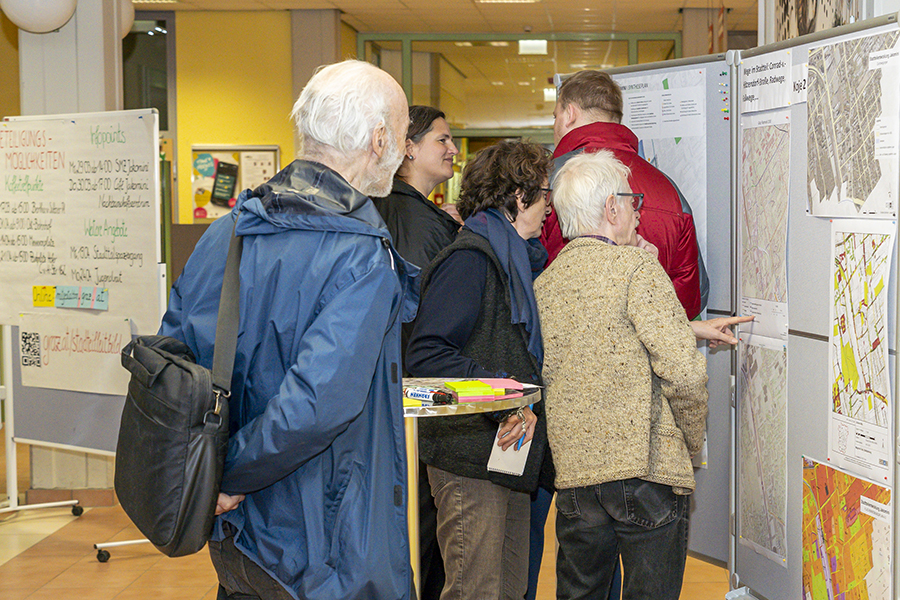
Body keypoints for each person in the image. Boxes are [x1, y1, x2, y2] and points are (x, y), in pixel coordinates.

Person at [159, 60, 417, 600]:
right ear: (378, 139)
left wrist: (211, 476)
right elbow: (315, 405)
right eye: (403, 132)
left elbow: (174, 365)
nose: (406, 149)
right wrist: (227, 473)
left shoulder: (226, 233)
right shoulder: (362, 257)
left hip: (235, 533)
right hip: (328, 540)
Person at [534, 150, 709, 600]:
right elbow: (685, 372)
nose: (638, 214)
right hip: (646, 472)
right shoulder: (636, 269)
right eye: (634, 203)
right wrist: (688, 444)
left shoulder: (545, 283)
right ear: (611, 208)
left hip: (576, 478)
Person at [406, 140, 554, 600]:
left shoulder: (517, 262)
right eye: (545, 193)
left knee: (507, 589)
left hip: (508, 455)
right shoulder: (470, 258)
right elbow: (427, 356)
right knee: (477, 590)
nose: (552, 206)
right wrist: (507, 398)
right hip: (468, 457)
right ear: (517, 196)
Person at [372, 105, 461, 600]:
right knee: (427, 531)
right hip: (423, 395)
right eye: (441, 140)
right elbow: (434, 316)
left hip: (388, 388)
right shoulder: (422, 224)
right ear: (408, 147)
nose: (451, 150)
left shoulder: (385, 207)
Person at [542, 69, 709, 320]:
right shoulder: (669, 190)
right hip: (647, 353)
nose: (554, 125)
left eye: (555, 116)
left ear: (570, 114)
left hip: (565, 352)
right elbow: (691, 297)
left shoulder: (548, 183)